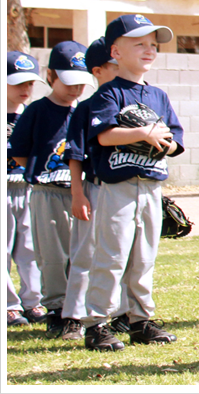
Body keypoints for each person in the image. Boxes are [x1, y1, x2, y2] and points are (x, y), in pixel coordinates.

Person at [81, 14, 185, 351]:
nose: (149, 50)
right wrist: (143, 132)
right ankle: (97, 323)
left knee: (144, 257)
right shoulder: (109, 94)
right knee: (111, 256)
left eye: (153, 45)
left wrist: (164, 141)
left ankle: (140, 320)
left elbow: (175, 141)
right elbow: (104, 135)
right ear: (115, 51)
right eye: (139, 43)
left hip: (152, 187)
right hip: (118, 187)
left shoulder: (158, 96)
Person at [9, 40, 94, 338]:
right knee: (51, 253)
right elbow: (20, 150)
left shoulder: (83, 111)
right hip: (47, 191)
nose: (75, 90)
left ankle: (78, 309)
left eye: (81, 83)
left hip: (80, 190)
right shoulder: (37, 110)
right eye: (68, 83)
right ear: (51, 77)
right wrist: (39, 171)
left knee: (82, 252)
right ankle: (57, 309)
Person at [59, 36, 134, 341]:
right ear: (98, 70)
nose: (120, 71)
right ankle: (74, 316)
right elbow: (75, 155)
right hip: (95, 188)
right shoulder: (88, 107)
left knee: (123, 254)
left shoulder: (131, 102)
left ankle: (121, 314)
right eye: (114, 66)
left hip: (124, 190)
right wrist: (77, 193)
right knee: (86, 253)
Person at [5, 51, 46, 327]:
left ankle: (34, 302)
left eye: (30, 83)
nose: (25, 89)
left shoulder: (33, 114)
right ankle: (8, 306)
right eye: (18, 83)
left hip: (29, 186)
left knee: (31, 249)